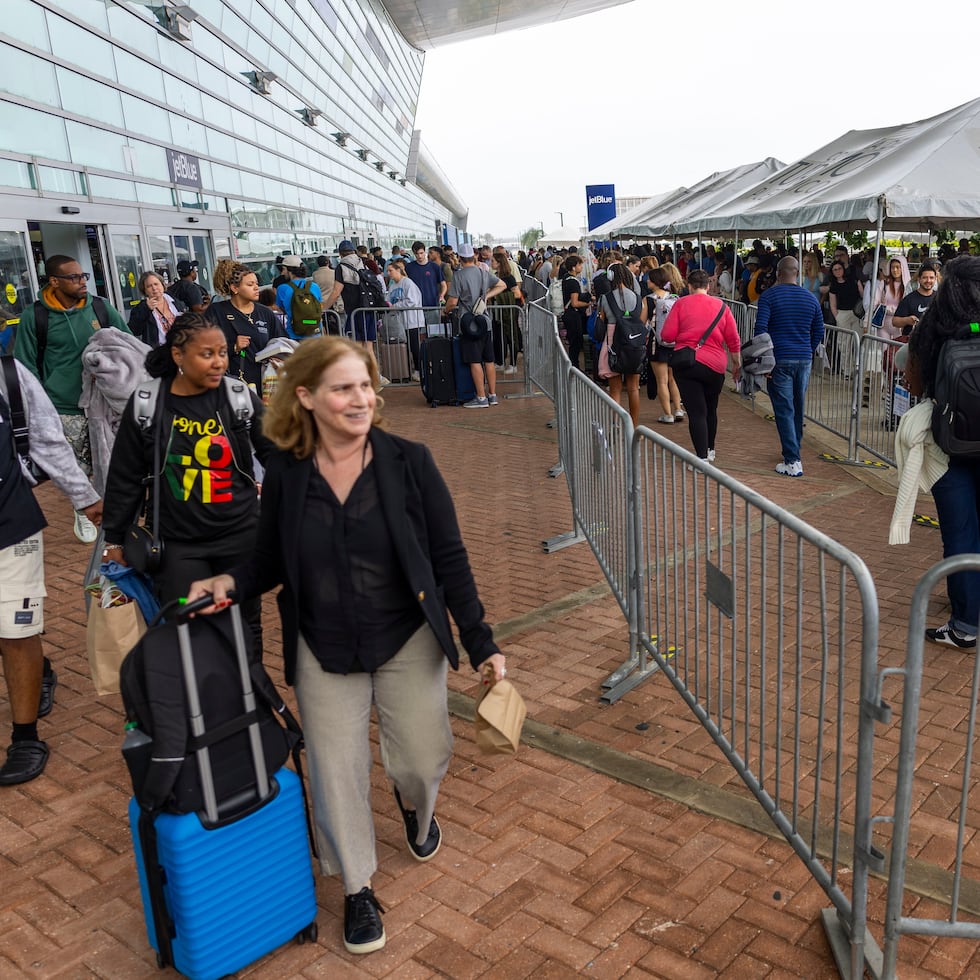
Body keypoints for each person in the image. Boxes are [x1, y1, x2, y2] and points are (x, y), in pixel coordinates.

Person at [184, 336, 507, 954]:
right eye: (343, 388)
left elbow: (448, 559)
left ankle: (416, 806)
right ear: (304, 397)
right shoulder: (285, 471)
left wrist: (480, 640)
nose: (360, 399)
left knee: (419, 757)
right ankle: (357, 887)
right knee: (335, 773)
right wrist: (229, 582)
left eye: (365, 385)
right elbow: (269, 560)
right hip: (322, 642)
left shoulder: (409, 462)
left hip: (406, 635)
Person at [100, 313, 273, 651]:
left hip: (240, 536)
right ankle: (202, 699)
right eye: (206, 354)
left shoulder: (238, 396)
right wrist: (115, 539)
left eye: (222, 353)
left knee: (245, 627)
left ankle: (247, 696)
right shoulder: (148, 403)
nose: (218, 362)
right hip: (177, 542)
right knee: (188, 629)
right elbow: (126, 476)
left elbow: (277, 456)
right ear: (178, 355)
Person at [0, 357, 102, 784]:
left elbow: (47, 438)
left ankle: (26, 738)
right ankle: (41, 672)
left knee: (15, 629)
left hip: (10, 519)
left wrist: (85, 497)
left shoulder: (8, 375)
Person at [13, 254, 130, 543]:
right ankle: (83, 508)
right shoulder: (35, 316)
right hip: (63, 406)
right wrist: (42, 407)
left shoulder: (100, 307)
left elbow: (128, 343)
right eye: (74, 277)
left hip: (104, 404)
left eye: (83, 276)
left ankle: (110, 511)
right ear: (54, 281)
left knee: (109, 461)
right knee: (76, 465)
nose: (82, 282)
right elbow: (25, 364)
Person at [905, 256, 980, 649]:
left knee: (961, 531)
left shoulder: (936, 325)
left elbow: (913, 382)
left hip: (950, 445)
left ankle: (966, 623)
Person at [754, 257, 825, 477]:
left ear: (778, 272)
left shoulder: (768, 297)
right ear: (797, 273)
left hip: (779, 358)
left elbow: (761, 329)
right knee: (797, 405)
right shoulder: (810, 298)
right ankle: (794, 448)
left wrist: (764, 360)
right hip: (803, 358)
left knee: (784, 408)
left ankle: (793, 460)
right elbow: (819, 330)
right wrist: (808, 349)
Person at [660, 269, 741, 461]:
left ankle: (702, 456)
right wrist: (737, 364)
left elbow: (667, 336)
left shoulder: (681, 304)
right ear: (708, 286)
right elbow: (733, 340)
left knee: (696, 412)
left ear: (689, 286)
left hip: (687, 364)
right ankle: (711, 449)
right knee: (711, 409)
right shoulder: (722, 307)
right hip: (715, 365)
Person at [443, 243, 506, 407]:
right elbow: (502, 285)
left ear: (461, 259)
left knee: (475, 360)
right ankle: (492, 395)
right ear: (474, 256)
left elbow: (453, 301)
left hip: (469, 323)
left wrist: (446, 310)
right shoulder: (483, 272)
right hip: (485, 321)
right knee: (489, 359)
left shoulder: (459, 275)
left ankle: (481, 397)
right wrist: (485, 297)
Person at [208, 262, 283, 392]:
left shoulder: (265, 312)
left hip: (266, 383)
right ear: (234, 288)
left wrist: (278, 356)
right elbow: (204, 348)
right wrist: (233, 347)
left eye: (256, 284)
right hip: (233, 383)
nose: (256, 288)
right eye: (250, 284)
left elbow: (282, 340)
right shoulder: (216, 312)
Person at [597, 263, 643, 425]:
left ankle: (616, 424)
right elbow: (641, 321)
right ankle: (635, 426)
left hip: (612, 343)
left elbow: (601, 319)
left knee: (615, 389)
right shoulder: (638, 298)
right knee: (633, 388)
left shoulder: (605, 298)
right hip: (633, 343)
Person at [640, 268, 683, 424]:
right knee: (673, 379)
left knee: (662, 380)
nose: (647, 281)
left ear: (655, 281)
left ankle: (667, 414)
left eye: (650, 279)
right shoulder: (675, 298)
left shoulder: (648, 300)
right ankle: (678, 408)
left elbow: (641, 322)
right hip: (674, 342)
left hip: (655, 342)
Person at [128, 271, 185, 349]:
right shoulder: (141, 308)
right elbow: (134, 330)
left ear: (162, 285)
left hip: (180, 347)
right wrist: (146, 309)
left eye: (156, 284)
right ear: (145, 291)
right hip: (159, 352)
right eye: (149, 286)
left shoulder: (174, 302)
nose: (154, 288)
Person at [405, 241, 446, 338]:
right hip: (416, 308)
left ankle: (434, 353)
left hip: (432, 306)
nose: (419, 256)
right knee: (421, 336)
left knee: (435, 335)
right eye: (416, 254)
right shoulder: (409, 267)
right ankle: (423, 353)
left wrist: (442, 295)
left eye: (421, 253)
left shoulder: (434, 267)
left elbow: (443, 284)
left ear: (425, 252)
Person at [276, 255, 323, 339]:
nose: (282, 273)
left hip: (295, 334)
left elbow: (282, 309)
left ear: (289, 270)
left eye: (283, 269)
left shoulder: (282, 289)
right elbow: (319, 306)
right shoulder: (314, 286)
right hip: (315, 332)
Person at [560, 256, 592, 372]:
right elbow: (574, 303)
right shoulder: (573, 282)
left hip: (568, 314)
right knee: (576, 341)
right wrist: (587, 304)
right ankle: (574, 366)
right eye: (579, 265)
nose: (581, 267)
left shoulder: (566, 278)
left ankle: (574, 365)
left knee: (574, 341)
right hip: (573, 315)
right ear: (574, 267)